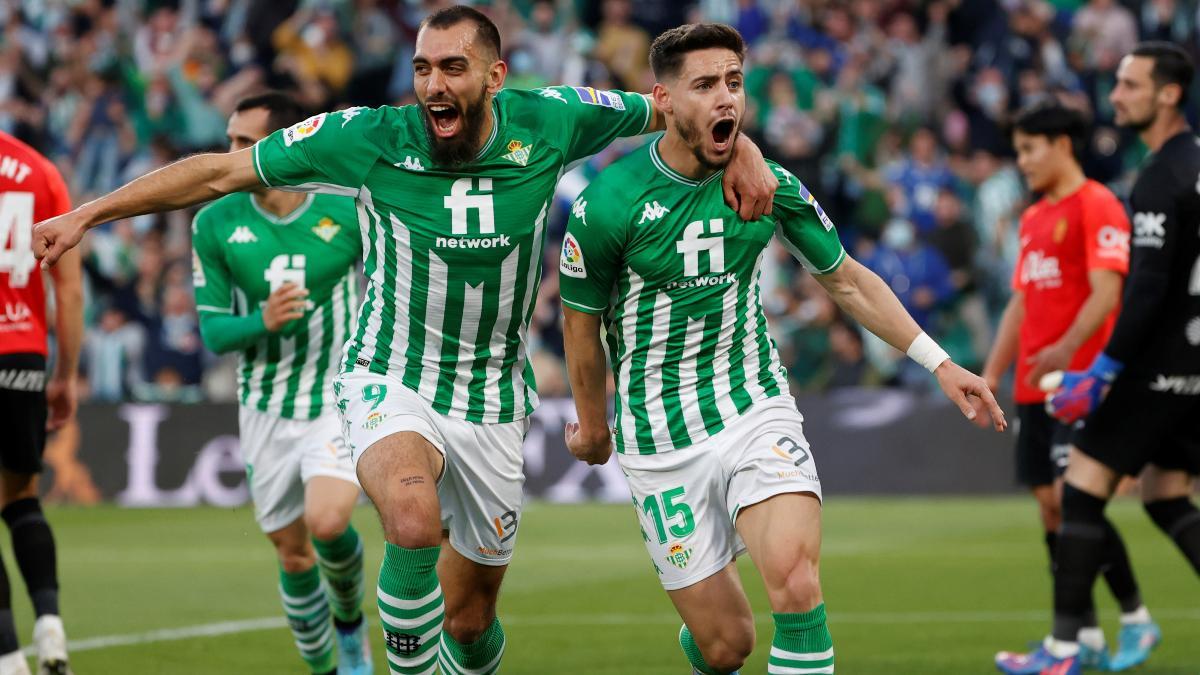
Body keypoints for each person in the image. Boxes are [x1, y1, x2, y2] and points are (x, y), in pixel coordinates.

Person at [30, 7, 777, 672]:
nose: (433, 85)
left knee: (473, 622)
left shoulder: (554, 117)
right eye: (422, 67)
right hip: (391, 374)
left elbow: (675, 106)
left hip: (491, 396)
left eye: (453, 68)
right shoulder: (368, 137)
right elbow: (220, 173)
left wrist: (739, 148)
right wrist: (88, 216)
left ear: (494, 74)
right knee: (412, 522)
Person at [558, 23, 1005, 675]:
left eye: (734, 83)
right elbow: (580, 322)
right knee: (726, 644)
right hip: (657, 437)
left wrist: (939, 362)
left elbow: (848, 280)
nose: (725, 99)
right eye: (705, 84)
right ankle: (710, 638)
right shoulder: (609, 202)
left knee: (796, 581)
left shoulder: (772, 187)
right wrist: (594, 426)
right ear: (664, 99)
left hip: (752, 407)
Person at [996, 41, 1200, 675]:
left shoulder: (1157, 178)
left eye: (1131, 85)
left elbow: (1140, 288)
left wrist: (1104, 368)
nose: (1117, 96)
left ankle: (1066, 648)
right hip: (1191, 370)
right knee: (1167, 497)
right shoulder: (1188, 167)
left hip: (1151, 369)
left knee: (1079, 493)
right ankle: (1087, 638)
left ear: (1168, 93)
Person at [191, 92, 369, 675]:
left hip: (335, 399)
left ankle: (351, 626)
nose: (232, 154)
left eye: (246, 143)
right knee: (293, 556)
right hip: (264, 404)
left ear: (284, 145)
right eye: (230, 141)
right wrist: (261, 321)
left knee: (328, 522)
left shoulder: (344, 211)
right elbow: (215, 333)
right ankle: (325, 668)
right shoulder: (214, 220)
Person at [983, 100, 1154, 671]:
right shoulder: (1033, 218)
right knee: (1052, 513)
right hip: (1034, 392)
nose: (1022, 161)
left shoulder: (1098, 204)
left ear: (1062, 145)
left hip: (1079, 384)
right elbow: (1021, 299)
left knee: (1072, 499)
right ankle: (1087, 638)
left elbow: (1109, 291)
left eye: (1030, 149)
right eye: (1018, 150)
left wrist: (1063, 348)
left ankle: (1133, 617)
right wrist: (991, 370)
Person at [0, 130, 83, 675]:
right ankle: (50, 627)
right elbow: (69, 289)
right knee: (22, 497)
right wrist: (65, 374)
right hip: (23, 355)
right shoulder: (39, 170)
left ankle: (7, 657)